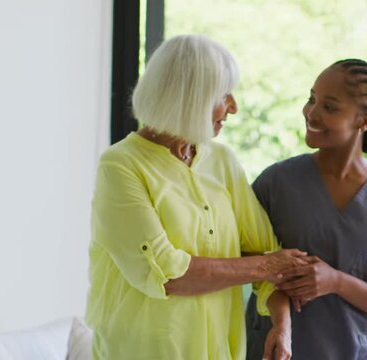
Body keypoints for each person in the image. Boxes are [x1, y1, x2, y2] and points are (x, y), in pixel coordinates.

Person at [86, 34, 302, 360]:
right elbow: (168, 274)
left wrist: (282, 327)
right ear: (190, 99)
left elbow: (267, 252)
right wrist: (266, 266)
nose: (233, 107)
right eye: (223, 96)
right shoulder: (120, 166)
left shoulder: (222, 161)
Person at [246, 59, 367, 360]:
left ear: (365, 121)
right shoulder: (276, 183)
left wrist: (337, 281)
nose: (311, 112)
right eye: (311, 99)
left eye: (329, 107)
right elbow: (239, 260)